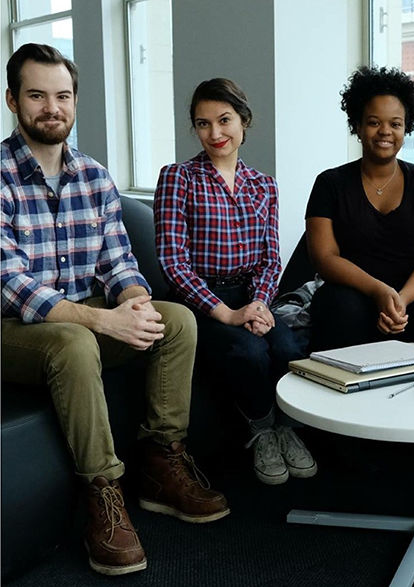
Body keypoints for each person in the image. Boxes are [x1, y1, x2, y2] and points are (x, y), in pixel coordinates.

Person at [1, 43, 229, 576]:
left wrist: (135, 303)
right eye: (37, 95)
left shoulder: (95, 176)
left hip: (84, 314)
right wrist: (104, 320)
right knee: (76, 339)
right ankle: (103, 494)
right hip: (14, 328)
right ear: (13, 100)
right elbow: (11, 284)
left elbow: (119, 261)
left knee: (177, 322)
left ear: (75, 101)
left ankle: (162, 463)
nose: (51, 107)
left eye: (62, 96)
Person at [154, 78, 316, 487]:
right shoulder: (179, 178)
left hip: (251, 296)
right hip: (199, 301)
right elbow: (173, 262)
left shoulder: (263, 185)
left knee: (287, 346)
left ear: (244, 122)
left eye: (224, 120)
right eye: (203, 123)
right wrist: (226, 313)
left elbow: (269, 258)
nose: (215, 133)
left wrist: (260, 304)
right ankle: (262, 429)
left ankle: (287, 429)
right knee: (248, 353)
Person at [305, 65, 414, 352]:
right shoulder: (329, 183)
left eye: (395, 123)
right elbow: (324, 257)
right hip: (352, 291)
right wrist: (377, 290)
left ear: (407, 127)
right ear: (357, 125)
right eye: (373, 122)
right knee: (342, 306)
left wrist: (401, 299)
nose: (385, 132)